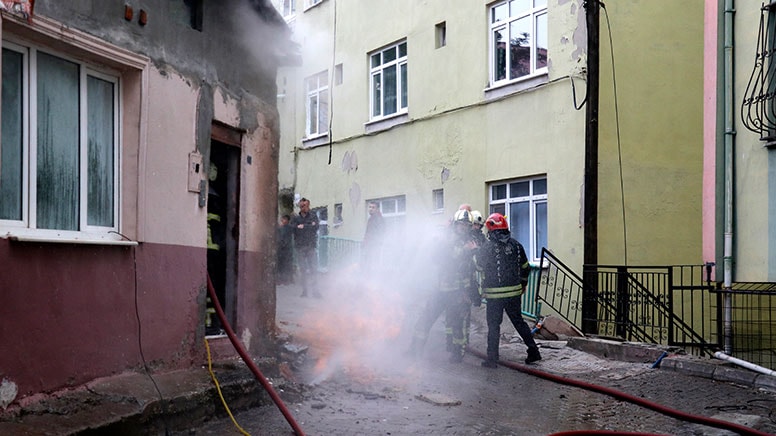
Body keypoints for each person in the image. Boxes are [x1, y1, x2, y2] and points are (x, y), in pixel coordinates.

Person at [407, 209, 479, 363]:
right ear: (455, 224)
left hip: (458, 290)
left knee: (457, 323)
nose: (463, 227)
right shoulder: (447, 238)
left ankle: (457, 353)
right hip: (440, 288)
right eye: (461, 224)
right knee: (425, 318)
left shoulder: (471, 241)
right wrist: (465, 251)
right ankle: (414, 349)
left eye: (466, 225)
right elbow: (445, 256)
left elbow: (474, 266)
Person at [475, 212, 541, 367]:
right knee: (519, 322)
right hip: (514, 293)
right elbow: (526, 267)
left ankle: (492, 359)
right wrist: (523, 284)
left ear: (491, 229)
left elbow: (479, 267)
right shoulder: (516, 245)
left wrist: (475, 252)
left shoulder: (487, 247)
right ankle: (534, 351)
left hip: (494, 295)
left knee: (493, 325)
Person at [291, 198, 321, 298]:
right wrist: (305, 226)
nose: (304, 208)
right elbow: (293, 228)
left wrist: (303, 226)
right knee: (303, 269)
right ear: (300, 207)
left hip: (310, 246)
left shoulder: (313, 215)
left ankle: (315, 291)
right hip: (300, 247)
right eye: (302, 206)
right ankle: (305, 291)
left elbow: (316, 227)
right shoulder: (296, 218)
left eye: (306, 205)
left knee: (313, 269)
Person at [361, 201, 385, 273]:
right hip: (370, 246)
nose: (370, 209)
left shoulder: (378, 219)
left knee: (372, 265)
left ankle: (371, 280)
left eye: (373, 207)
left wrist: (369, 244)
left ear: (377, 209)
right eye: (370, 207)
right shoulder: (372, 218)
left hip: (373, 247)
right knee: (369, 264)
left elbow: (379, 233)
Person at [276, 214, 294, 284]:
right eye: (282, 219)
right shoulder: (280, 228)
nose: (282, 220)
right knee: (280, 265)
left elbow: (286, 238)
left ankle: (286, 280)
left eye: (284, 219)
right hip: (280, 249)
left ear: (287, 220)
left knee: (286, 265)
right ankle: (280, 280)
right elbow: (278, 237)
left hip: (287, 249)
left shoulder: (289, 228)